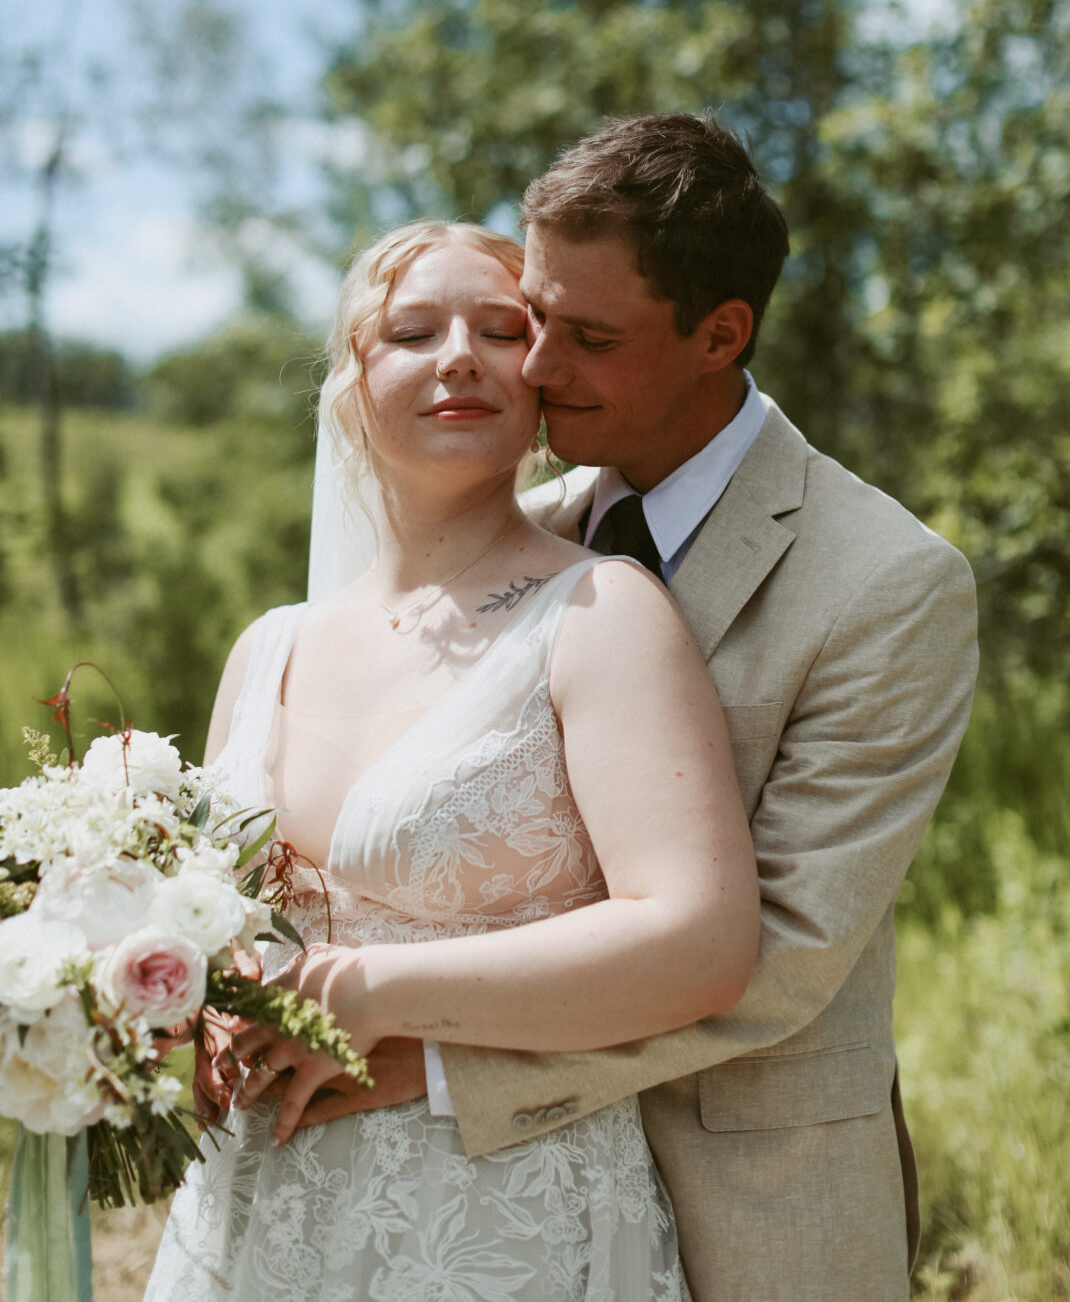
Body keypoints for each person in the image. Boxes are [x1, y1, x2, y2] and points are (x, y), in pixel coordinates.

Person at [296, 114, 979, 1302]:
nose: (537, 367)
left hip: (752, 1194)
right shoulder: (525, 535)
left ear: (720, 334)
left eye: (589, 336)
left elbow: (783, 947)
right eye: (536, 316)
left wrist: (440, 1064)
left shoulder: (885, 582)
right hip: (494, 1213)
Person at [143, 219, 760, 1302]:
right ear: (351, 381)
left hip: (497, 1216)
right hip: (251, 1219)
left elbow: (697, 939)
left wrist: (367, 989)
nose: (460, 356)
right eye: (413, 331)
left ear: (539, 381)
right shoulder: (265, 647)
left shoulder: (603, 613)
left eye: (499, 328)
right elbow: (212, 927)